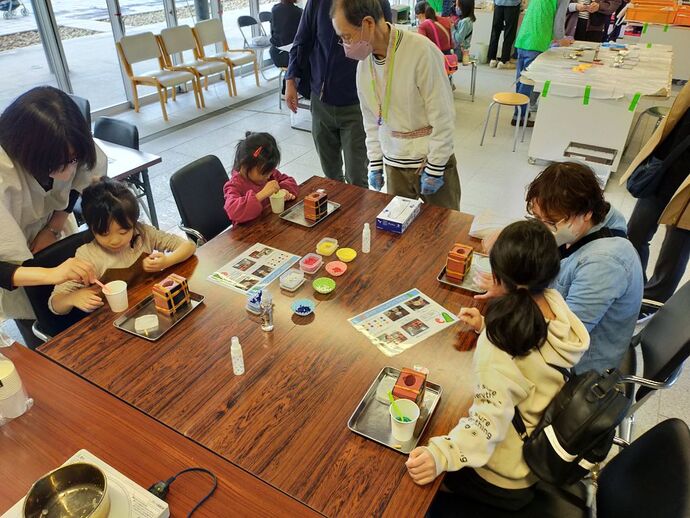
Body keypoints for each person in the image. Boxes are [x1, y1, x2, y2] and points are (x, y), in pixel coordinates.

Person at [405, 220, 589, 511]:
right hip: (536, 450)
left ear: (499, 278)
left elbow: (487, 421)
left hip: (501, 478)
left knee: (406, 472)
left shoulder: (500, 343)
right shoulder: (554, 304)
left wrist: (441, 455)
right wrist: (490, 319)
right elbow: (530, 363)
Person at [0, 86, 106, 345]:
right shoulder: (5, 173)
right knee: (41, 326)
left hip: (50, 229)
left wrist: (53, 229)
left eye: (73, 159)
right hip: (9, 254)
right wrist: (51, 274)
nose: (69, 171)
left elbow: (78, 183)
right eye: (59, 163)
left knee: (77, 312)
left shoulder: (66, 142)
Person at [331, 0, 461, 210]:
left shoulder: (421, 51)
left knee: (442, 229)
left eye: (346, 36)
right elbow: (371, 120)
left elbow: (443, 115)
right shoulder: (364, 66)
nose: (345, 44)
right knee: (398, 232)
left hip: (430, 161)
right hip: (394, 165)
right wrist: (375, 162)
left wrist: (436, 166)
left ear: (368, 24)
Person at [524, 162, 643, 373]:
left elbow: (564, 338)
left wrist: (514, 288)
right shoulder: (596, 219)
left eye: (551, 222)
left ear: (586, 213)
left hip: (579, 369)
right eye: (537, 219)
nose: (543, 229)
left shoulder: (603, 263)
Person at [285, 0, 392, 189]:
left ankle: (357, 216)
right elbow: (302, 39)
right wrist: (290, 79)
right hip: (322, 101)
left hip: (356, 105)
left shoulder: (376, 3)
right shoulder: (318, 3)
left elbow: (384, 47)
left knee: (357, 177)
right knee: (331, 176)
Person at [49, 178, 196, 315]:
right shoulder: (87, 256)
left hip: (154, 308)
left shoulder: (143, 234)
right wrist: (72, 298)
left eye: (123, 231)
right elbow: (55, 303)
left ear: (133, 223)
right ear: (92, 229)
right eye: (104, 233)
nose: (115, 240)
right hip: (115, 323)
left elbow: (189, 245)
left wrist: (167, 261)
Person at [623, 82, 690, 304]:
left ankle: (652, 302)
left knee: (675, 248)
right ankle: (635, 285)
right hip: (665, 167)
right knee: (635, 233)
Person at [513, 0, 571, 127]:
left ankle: (518, 113)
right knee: (528, 82)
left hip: (524, 37)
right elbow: (559, 21)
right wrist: (562, 39)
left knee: (521, 78)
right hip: (537, 41)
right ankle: (521, 117)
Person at [223, 132, 299, 224]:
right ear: (245, 165)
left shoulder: (269, 173)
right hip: (248, 234)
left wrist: (284, 190)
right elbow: (233, 211)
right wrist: (261, 195)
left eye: (270, 171)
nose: (268, 176)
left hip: (270, 225)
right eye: (263, 173)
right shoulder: (234, 186)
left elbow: (290, 181)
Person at [269, 0, 303, 69]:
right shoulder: (298, 12)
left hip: (275, 54)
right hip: (291, 56)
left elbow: (272, 32)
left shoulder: (275, 9)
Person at [487, 0, 520, 69]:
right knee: (509, 33)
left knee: (495, 31)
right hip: (512, 4)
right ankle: (504, 61)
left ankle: (492, 59)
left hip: (499, 3)